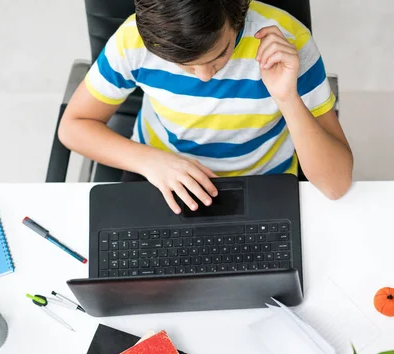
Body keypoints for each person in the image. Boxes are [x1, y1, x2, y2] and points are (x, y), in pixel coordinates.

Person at [59, 0, 353, 214]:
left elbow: (336, 184)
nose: (205, 76)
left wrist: (287, 97)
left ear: (238, 13)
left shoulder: (289, 43)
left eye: (219, 53)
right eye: (185, 65)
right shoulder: (133, 42)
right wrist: (150, 162)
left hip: (263, 182)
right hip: (160, 175)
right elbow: (74, 127)